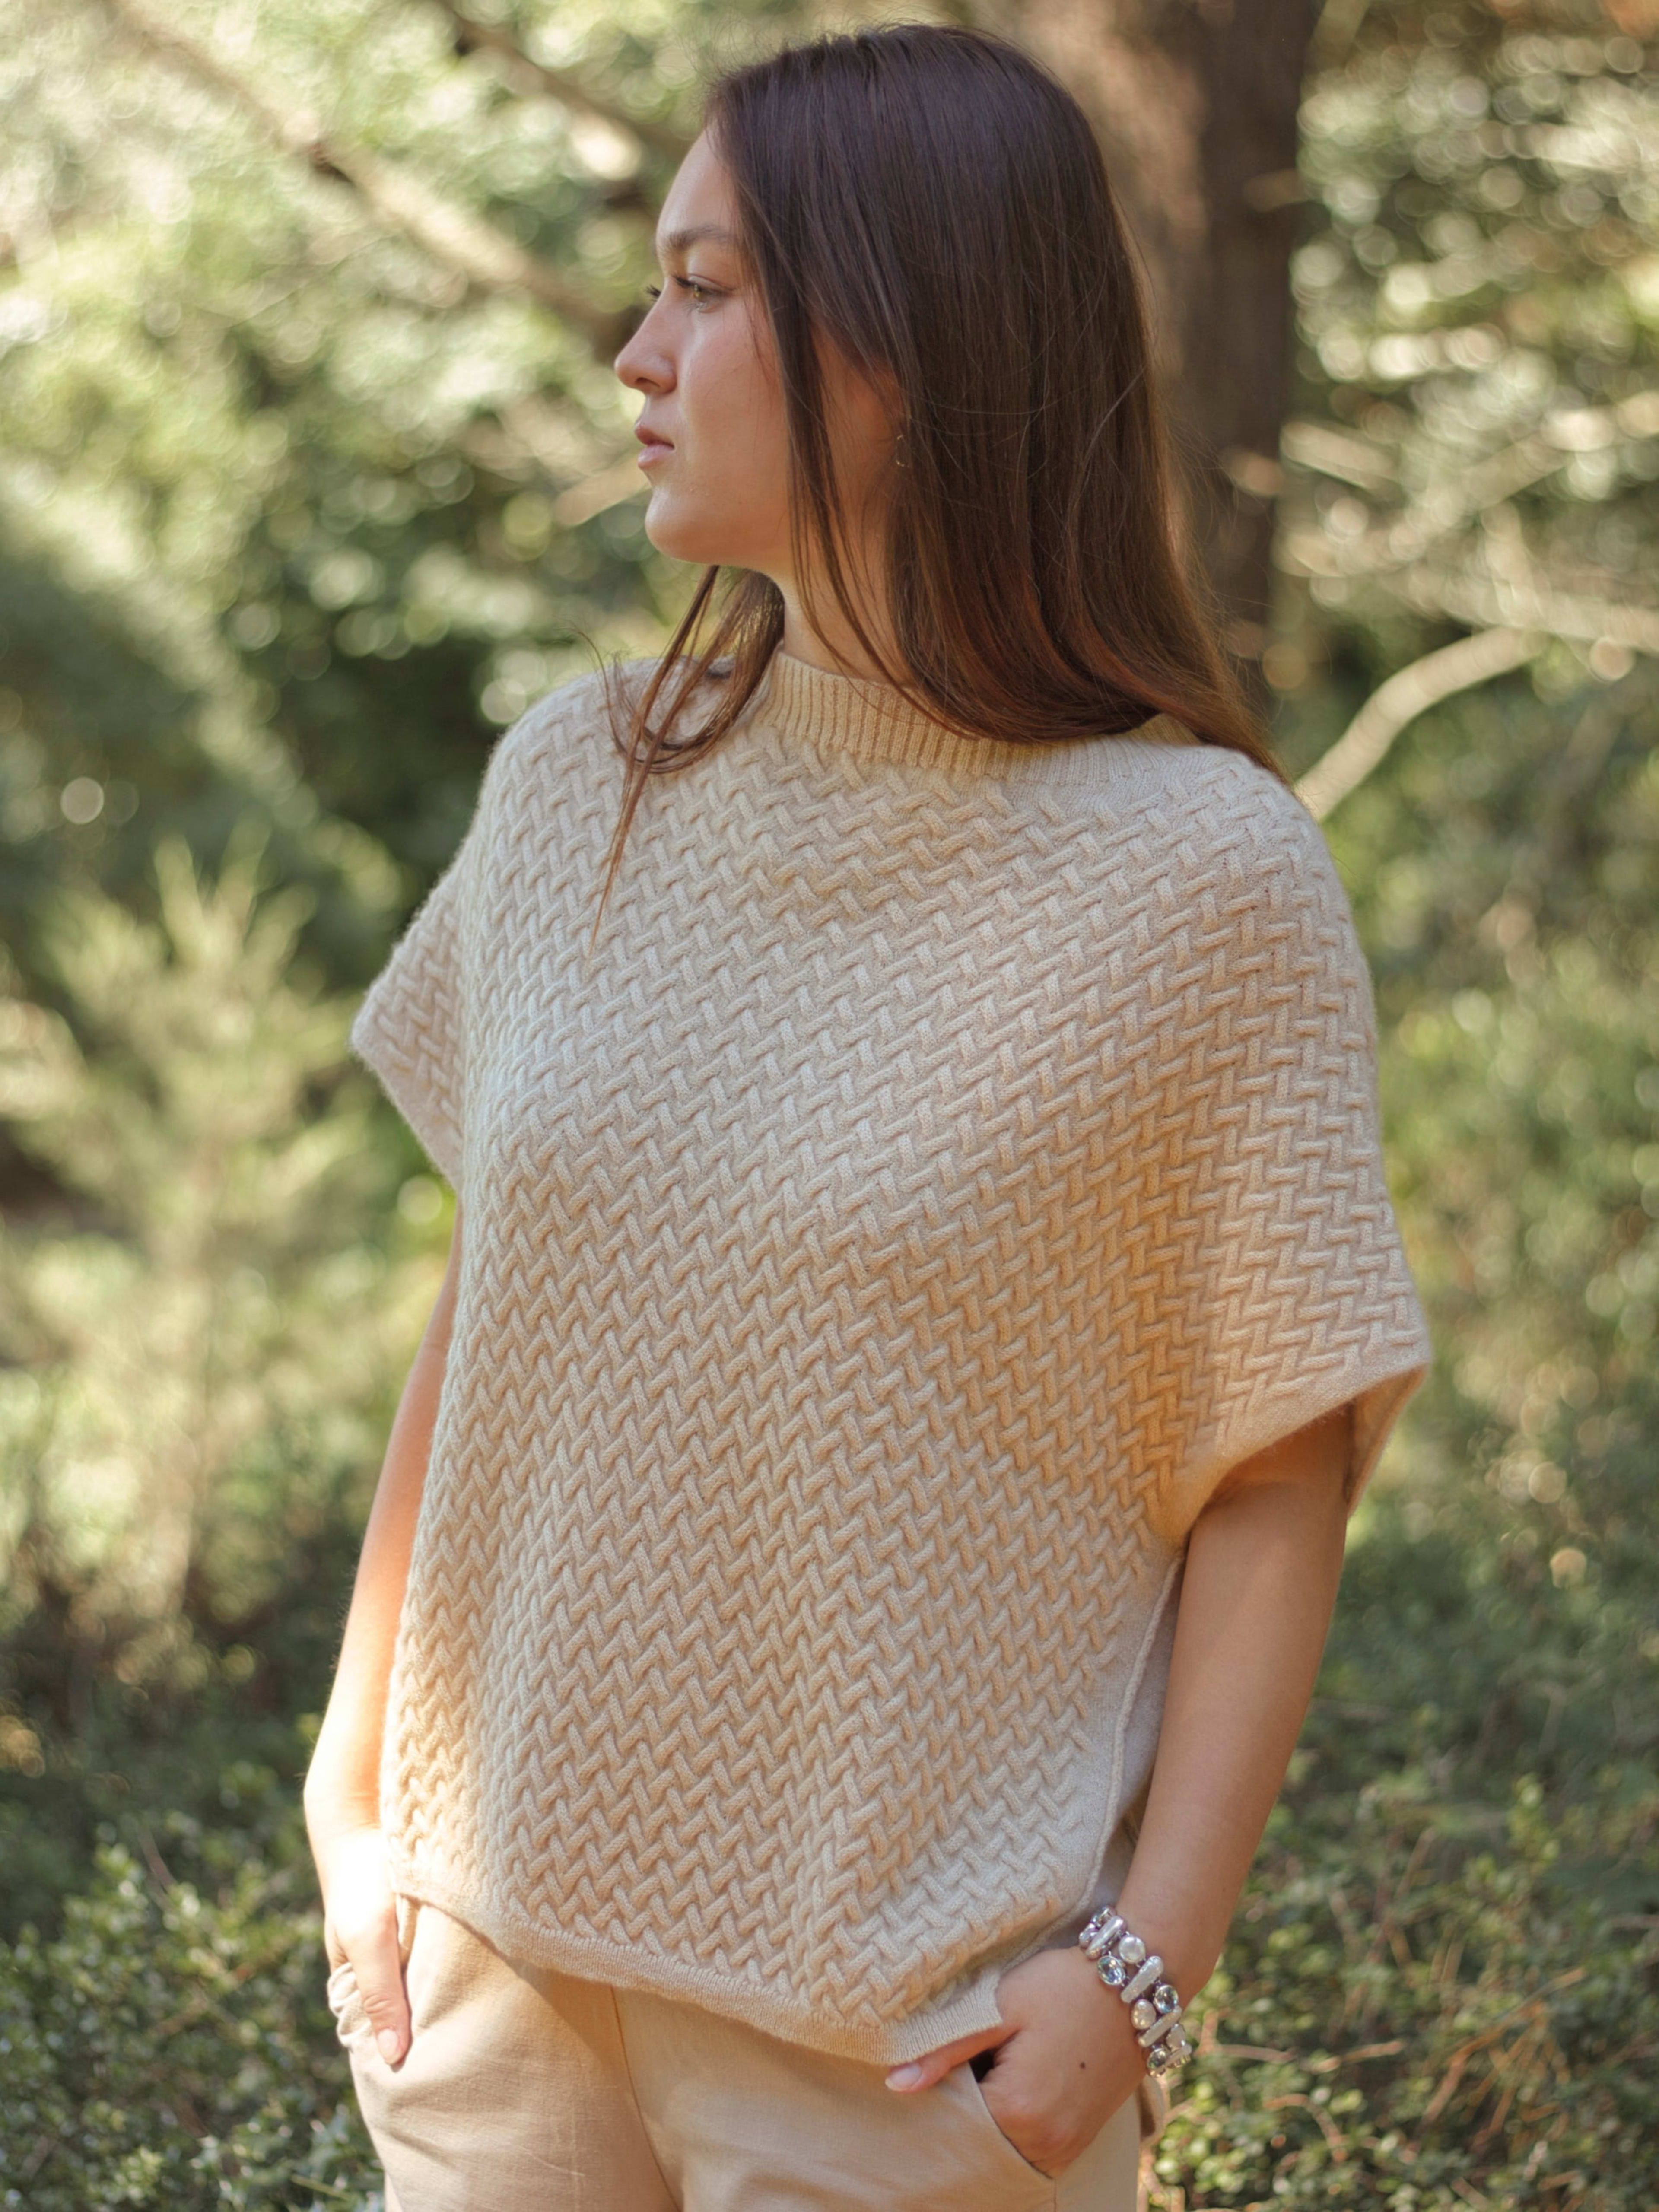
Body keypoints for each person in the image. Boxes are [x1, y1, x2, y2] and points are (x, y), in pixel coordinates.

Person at [304, 23, 1432, 2212]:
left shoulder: (1201, 874)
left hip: (905, 2060)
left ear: (907, 341)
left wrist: (1142, 1972)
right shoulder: (580, 779)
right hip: (494, 2003)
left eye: (708, 288)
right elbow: (493, 1298)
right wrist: (356, 1800)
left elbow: (1279, 1463)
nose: (637, 351)